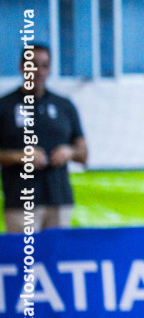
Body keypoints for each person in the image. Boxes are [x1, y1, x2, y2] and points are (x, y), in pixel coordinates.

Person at [0, 44, 87, 233]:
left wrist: (69, 152)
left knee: (57, 258)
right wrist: (20, 156)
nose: (39, 71)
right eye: (33, 65)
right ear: (22, 67)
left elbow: (84, 153)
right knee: (24, 260)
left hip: (59, 201)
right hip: (20, 203)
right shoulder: (4, 106)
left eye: (44, 65)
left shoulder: (64, 106)